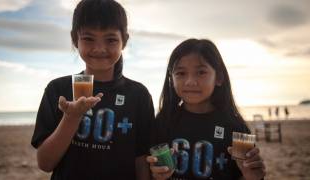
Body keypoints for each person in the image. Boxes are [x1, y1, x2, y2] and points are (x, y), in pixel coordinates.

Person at [31, 0, 154, 179]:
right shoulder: (58, 89)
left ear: (124, 41)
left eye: (110, 39)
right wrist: (71, 117)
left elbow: (141, 159)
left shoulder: (138, 95)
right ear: (75, 39)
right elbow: (45, 163)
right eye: (89, 38)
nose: (99, 48)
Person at [147, 39, 266, 180]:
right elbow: (149, 171)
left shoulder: (237, 127)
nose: (190, 81)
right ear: (171, 79)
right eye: (181, 73)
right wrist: (156, 175)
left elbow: (250, 174)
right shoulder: (163, 122)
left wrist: (252, 176)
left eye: (201, 72)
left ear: (219, 78)